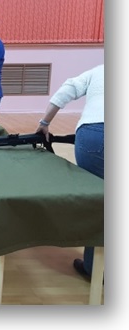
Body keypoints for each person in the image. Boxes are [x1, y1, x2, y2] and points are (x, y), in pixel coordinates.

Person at [36, 64, 104, 281]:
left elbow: (68, 89)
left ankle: (94, 267)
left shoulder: (99, 70)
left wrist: (45, 122)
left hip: (93, 133)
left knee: (99, 201)